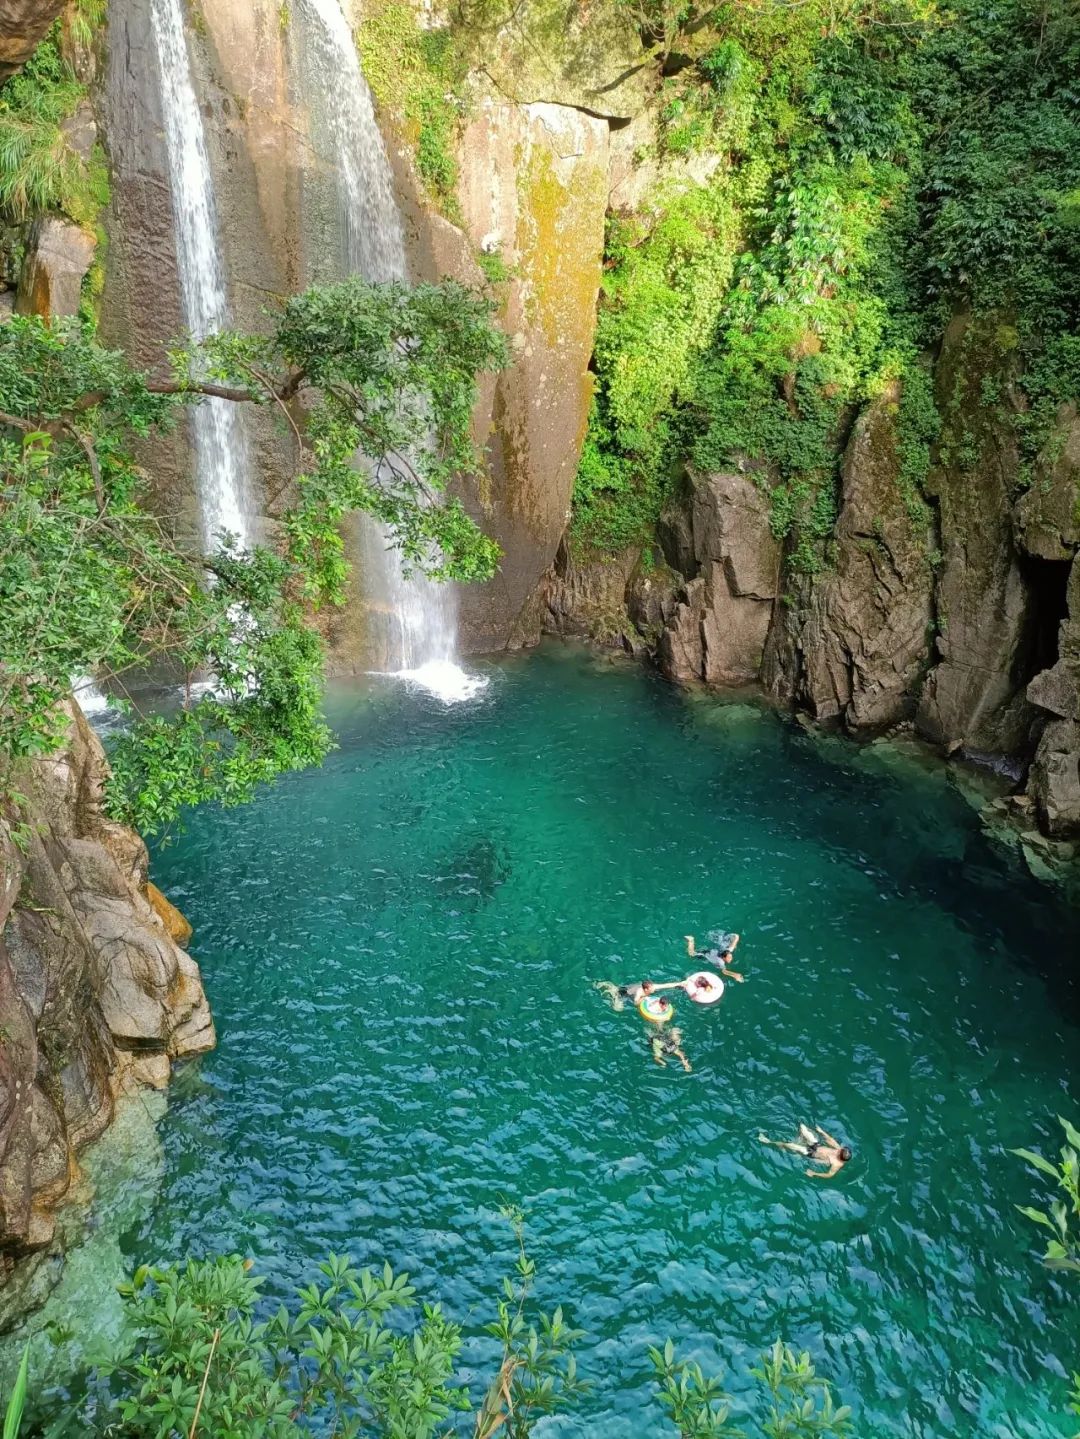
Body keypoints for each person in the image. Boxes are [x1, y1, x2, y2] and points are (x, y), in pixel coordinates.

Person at [758, 1124, 852, 1179]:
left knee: (789, 1145)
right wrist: (821, 1131)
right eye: (840, 1150)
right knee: (802, 1127)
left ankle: (768, 1141)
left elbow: (829, 1175)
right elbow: (830, 1139)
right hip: (816, 1145)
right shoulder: (840, 1149)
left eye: (839, 1152)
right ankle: (800, 1139)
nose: (838, 1150)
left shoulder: (837, 1164)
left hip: (811, 1154)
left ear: (840, 1157)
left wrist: (813, 1173)